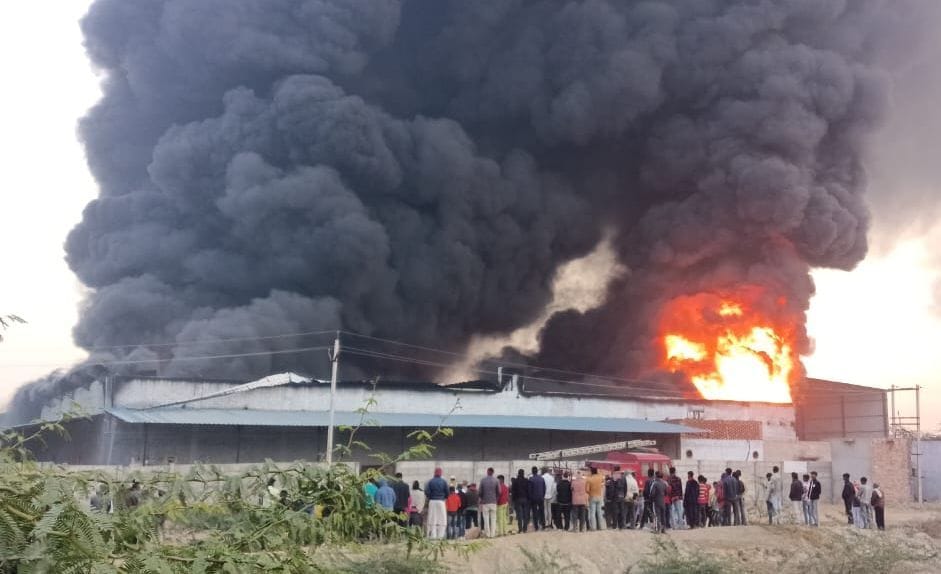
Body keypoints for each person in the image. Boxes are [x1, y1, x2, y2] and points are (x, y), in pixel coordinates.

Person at [425, 468, 449, 539]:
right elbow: (447, 492)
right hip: (441, 501)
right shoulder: (444, 482)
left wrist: (430, 496)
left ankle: (433, 536)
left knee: (432, 518)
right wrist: (444, 497)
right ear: (441, 473)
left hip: (432, 501)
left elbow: (426, 491)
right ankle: (440, 536)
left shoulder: (430, 481)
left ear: (434, 473)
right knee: (442, 519)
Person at [479, 468, 500, 538]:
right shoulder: (496, 480)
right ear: (493, 472)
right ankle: (492, 534)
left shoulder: (483, 480)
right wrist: (496, 498)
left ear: (487, 472)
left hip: (485, 502)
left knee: (486, 519)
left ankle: (487, 534)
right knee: (493, 519)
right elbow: (499, 492)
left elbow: (480, 492)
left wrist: (482, 498)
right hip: (493, 502)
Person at [511, 469, 531, 533]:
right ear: (523, 473)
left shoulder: (515, 481)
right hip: (525, 499)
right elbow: (528, 490)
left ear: (518, 473)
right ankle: (525, 529)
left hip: (518, 499)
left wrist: (513, 499)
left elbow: (513, 491)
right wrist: (529, 499)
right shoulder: (526, 481)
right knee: (525, 514)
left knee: (519, 515)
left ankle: (520, 529)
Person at [586, 466, 605, 531]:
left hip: (592, 496)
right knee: (599, 512)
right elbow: (603, 479)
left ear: (591, 471)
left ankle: (593, 527)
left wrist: (590, 493)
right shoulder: (600, 477)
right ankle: (601, 527)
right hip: (599, 496)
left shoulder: (589, 479)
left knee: (592, 513)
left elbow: (587, 490)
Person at [528, 466, 546, 531]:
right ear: (537, 471)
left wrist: (530, 498)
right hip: (541, 497)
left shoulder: (531, 479)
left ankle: (536, 527)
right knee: (542, 512)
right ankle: (543, 525)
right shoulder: (542, 478)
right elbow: (544, 488)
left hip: (534, 498)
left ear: (532, 471)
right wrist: (543, 495)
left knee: (535, 512)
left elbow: (529, 490)